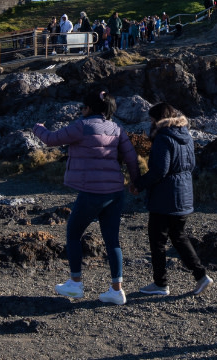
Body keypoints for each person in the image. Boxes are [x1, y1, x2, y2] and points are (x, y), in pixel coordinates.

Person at [33, 91, 140, 305]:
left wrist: (38, 128)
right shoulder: (117, 129)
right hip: (115, 192)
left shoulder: (82, 126)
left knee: (73, 234)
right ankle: (117, 290)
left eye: (83, 106)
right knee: (112, 240)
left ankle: (75, 284)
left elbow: (51, 139)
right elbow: (131, 158)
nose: (81, 110)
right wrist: (135, 183)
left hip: (92, 191)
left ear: (89, 108)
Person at [135, 103, 212, 297]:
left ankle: (160, 284)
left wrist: (139, 184)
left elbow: (160, 170)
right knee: (179, 236)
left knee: (157, 240)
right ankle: (201, 275)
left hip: (164, 197)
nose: (150, 124)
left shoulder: (163, 137)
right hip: (184, 195)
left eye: (152, 120)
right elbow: (191, 165)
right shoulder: (186, 136)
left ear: (158, 119)